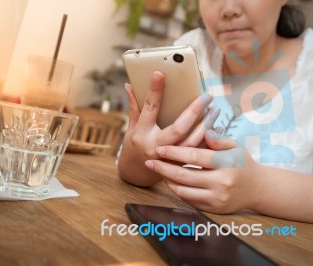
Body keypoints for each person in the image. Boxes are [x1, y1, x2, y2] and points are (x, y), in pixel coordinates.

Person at [117, 0, 313, 223]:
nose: (229, 9)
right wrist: (141, 155)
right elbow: (132, 173)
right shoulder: (192, 49)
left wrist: (259, 188)